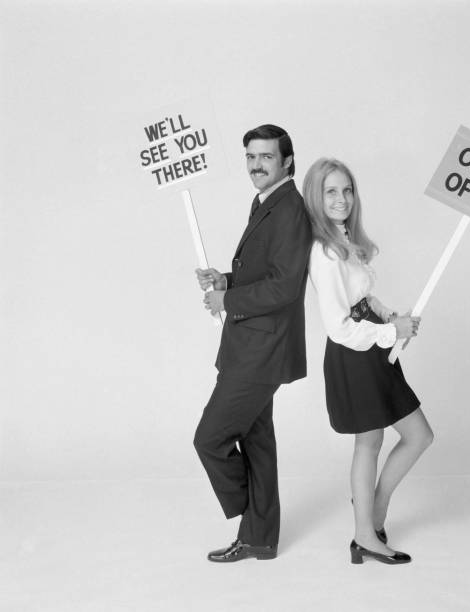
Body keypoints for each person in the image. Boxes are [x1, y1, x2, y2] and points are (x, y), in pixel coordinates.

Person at [303, 158, 433, 565]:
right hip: (354, 352)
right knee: (371, 441)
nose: (341, 199)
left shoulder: (343, 240)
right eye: (331, 191)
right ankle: (366, 531)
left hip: (373, 343)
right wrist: (389, 332)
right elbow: (339, 327)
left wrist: (392, 320)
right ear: (316, 198)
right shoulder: (324, 252)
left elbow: (362, 300)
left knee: (415, 436)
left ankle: (370, 514)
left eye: (347, 190)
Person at [193, 125, 312, 563]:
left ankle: (253, 516)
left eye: (265, 157)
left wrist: (229, 299)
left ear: (287, 162)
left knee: (210, 438)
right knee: (257, 440)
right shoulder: (267, 202)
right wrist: (226, 279)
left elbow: (285, 287)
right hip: (248, 343)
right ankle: (260, 538)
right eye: (250, 156)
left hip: (262, 350)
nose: (256, 165)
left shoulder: (291, 210)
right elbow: (265, 271)